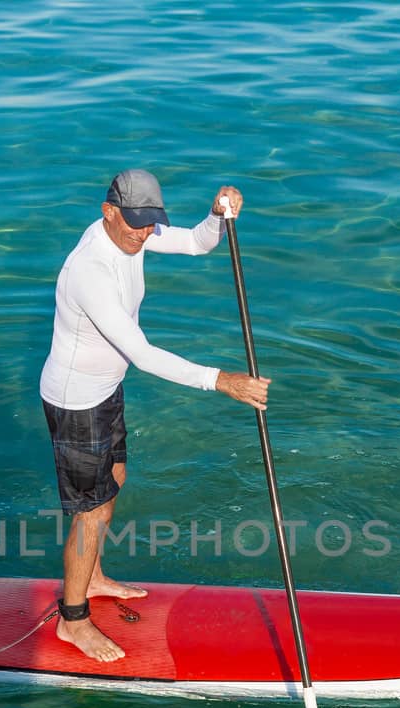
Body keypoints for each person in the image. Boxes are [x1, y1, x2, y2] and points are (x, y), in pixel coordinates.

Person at [40, 168, 269, 662]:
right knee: (89, 512)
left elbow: (195, 243)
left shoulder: (134, 231)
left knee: (115, 479)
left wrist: (216, 217)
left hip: (107, 389)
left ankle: (94, 577)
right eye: (135, 224)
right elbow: (142, 353)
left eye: (149, 223)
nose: (144, 233)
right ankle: (72, 621)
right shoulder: (90, 269)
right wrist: (221, 380)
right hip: (76, 402)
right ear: (108, 213)